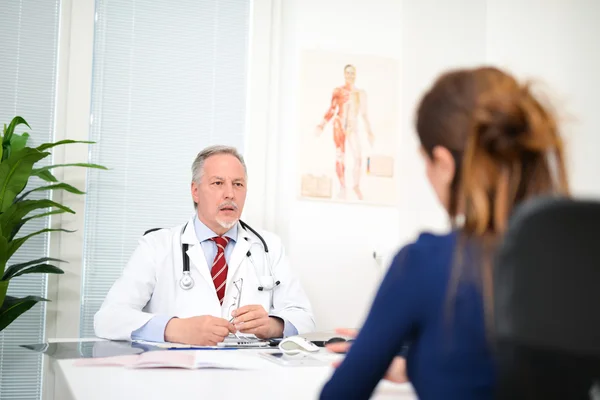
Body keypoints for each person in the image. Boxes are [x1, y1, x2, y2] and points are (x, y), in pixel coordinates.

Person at [320, 66, 569, 399]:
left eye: (426, 160)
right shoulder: (575, 260)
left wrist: (375, 353)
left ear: (445, 164)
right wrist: (416, 364)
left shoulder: (425, 262)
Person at [94, 145, 315, 345]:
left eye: (238, 184)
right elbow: (108, 318)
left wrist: (273, 325)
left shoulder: (269, 247)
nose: (230, 194)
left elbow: (304, 318)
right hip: (176, 374)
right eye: (218, 183)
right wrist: (173, 328)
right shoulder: (156, 246)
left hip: (250, 374)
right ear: (195, 191)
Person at [315, 64, 375, 200]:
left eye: (352, 73)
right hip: (339, 125)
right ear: (344, 74)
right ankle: (342, 186)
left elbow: (364, 115)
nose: (350, 75)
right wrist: (322, 124)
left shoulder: (361, 93)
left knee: (358, 158)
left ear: (356, 74)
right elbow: (332, 109)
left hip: (353, 127)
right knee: (340, 156)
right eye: (347, 73)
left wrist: (369, 131)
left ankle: (356, 186)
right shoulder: (338, 91)